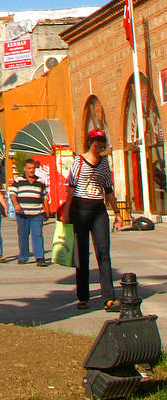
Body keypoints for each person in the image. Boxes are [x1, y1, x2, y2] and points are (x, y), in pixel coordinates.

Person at [67, 128, 123, 310]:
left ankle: (109, 297)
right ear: (89, 142)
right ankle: (83, 296)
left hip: (99, 211)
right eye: (95, 141)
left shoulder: (105, 163)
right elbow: (71, 186)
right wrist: (66, 212)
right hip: (81, 209)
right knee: (82, 255)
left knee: (104, 253)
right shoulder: (79, 160)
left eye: (101, 141)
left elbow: (108, 189)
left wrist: (117, 212)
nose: (98, 144)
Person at [9, 158, 51, 266]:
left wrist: (47, 210)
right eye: (29, 168)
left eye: (33, 168)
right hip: (23, 214)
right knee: (23, 235)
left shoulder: (40, 181)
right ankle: (23, 256)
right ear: (25, 169)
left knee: (37, 235)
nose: (31, 171)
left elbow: (45, 196)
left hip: (37, 213)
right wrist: (16, 205)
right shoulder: (18, 180)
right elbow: (12, 194)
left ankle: (40, 258)